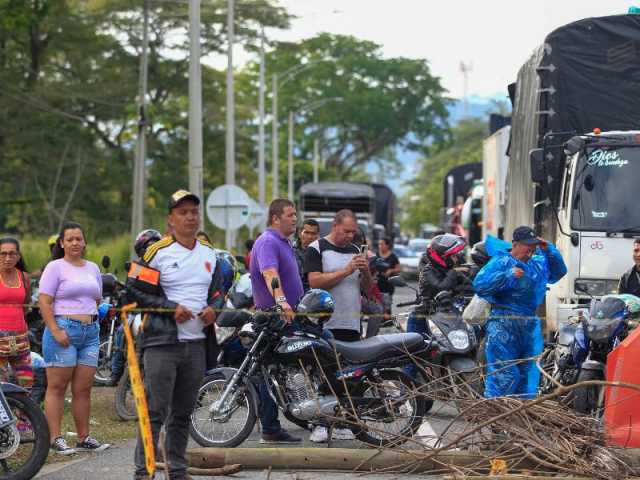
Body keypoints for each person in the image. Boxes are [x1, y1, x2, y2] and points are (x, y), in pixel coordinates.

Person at [124, 189, 225, 480]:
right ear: (171, 220)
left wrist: (214, 310)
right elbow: (132, 291)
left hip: (196, 345)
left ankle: (178, 471)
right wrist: (170, 308)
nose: (190, 217)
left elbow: (219, 292)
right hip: (161, 343)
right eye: (183, 212)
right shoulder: (158, 253)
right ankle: (144, 471)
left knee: (182, 414)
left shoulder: (210, 254)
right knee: (155, 412)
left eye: (194, 212)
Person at [39, 222, 109, 455]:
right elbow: (45, 302)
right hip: (64, 330)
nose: (75, 243)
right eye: (69, 239)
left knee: (83, 389)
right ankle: (55, 438)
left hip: (90, 333)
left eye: (79, 238)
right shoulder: (55, 267)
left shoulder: (93, 268)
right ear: (62, 243)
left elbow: (97, 299)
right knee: (57, 387)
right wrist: (56, 330)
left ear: (84, 241)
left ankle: (84, 437)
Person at [473, 226, 567, 399]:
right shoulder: (501, 262)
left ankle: (519, 419)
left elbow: (559, 273)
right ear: (515, 244)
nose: (531, 249)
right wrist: (507, 276)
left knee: (528, 377)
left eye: (534, 245)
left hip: (529, 326)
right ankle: (497, 416)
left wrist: (550, 251)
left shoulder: (538, 263)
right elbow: (480, 285)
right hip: (503, 324)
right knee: (505, 374)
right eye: (527, 245)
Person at [305, 209, 372, 443]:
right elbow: (314, 281)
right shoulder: (317, 248)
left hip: (351, 322)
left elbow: (369, 289)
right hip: (325, 323)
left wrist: (365, 272)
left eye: (354, 232)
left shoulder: (356, 251)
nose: (351, 236)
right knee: (325, 373)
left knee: (350, 376)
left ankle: (343, 422)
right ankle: (320, 423)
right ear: (334, 226)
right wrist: (346, 270)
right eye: (346, 231)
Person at [249, 198, 302, 445]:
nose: (295, 218)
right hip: (275, 318)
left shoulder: (284, 242)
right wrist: (282, 302)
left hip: (288, 317)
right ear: (275, 218)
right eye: (290, 215)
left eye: (295, 214)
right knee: (269, 373)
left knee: (288, 369)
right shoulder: (268, 241)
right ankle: (270, 428)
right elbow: (270, 273)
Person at [107, 229, 163, 387]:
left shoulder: (165, 266)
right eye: (148, 247)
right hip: (137, 312)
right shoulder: (137, 267)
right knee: (120, 332)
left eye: (155, 246)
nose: (151, 250)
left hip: (160, 313)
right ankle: (115, 373)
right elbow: (130, 290)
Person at [0, 237, 34, 389]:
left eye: (12, 254)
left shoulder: (24, 277)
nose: (8, 257)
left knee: (26, 383)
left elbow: (25, 306)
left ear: (18, 256)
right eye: (3, 253)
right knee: (2, 384)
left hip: (20, 338)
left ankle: (23, 413)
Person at [376, 237, 401, 314]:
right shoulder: (376, 255)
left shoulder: (393, 256)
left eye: (382, 244)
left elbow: (398, 269)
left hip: (388, 284)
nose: (380, 246)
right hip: (377, 283)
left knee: (387, 301)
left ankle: (387, 319)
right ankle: (380, 318)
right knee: (378, 301)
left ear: (387, 245)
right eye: (379, 244)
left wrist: (391, 270)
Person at [294, 219, 320, 291]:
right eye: (306, 232)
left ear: (318, 235)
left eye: (313, 233)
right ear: (299, 233)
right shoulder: (290, 251)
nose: (309, 237)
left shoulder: (323, 252)